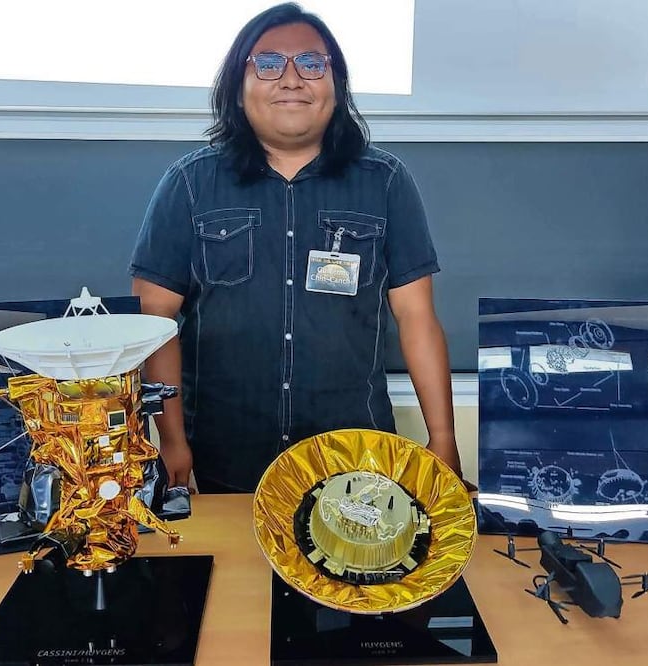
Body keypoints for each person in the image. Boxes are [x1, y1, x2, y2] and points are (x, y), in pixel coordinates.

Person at [129, 2, 460, 493]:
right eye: (267, 63)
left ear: (337, 85)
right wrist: (171, 439)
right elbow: (154, 324)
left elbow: (417, 318)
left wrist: (444, 437)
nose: (291, 80)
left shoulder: (385, 182)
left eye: (311, 63)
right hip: (224, 453)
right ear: (238, 90)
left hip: (354, 454)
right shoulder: (189, 184)